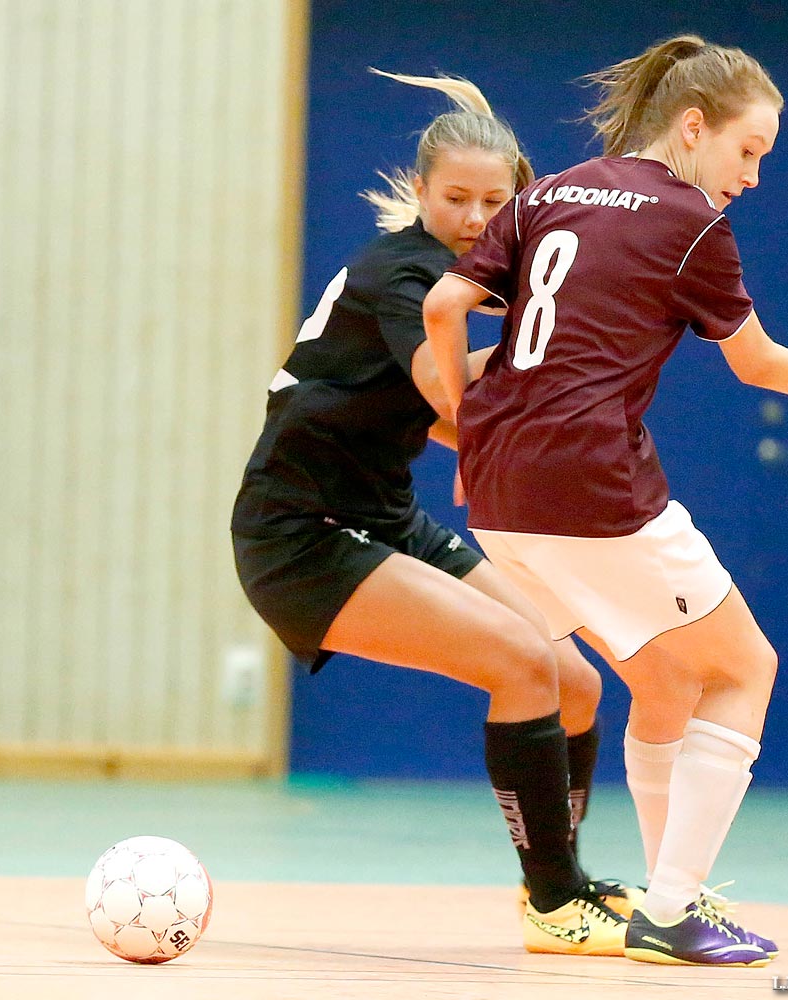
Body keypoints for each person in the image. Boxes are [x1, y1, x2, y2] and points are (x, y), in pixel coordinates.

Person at [423, 34, 788, 967]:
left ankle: (663, 898)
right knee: (745, 669)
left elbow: (445, 309)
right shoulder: (690, 222)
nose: (755, 177)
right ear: (693, 128)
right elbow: (756, 362)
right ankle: (673, 908)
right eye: (749, 151)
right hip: (591, 482)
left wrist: (467, 426)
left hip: (500, 491)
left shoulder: (549, 190)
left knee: (666, 680)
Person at [231, 69, 631, 955]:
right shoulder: (405, 274)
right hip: (302, 534)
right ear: (419, 191)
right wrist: (559, 353)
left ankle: (563, 883)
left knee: (575, 683)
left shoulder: (479, 270)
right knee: (523, 666)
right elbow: (447, 398)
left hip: (384, 519)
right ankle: (555, 901)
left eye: (495, 201)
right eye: (456, 198)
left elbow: (458, 422)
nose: (476, 217)